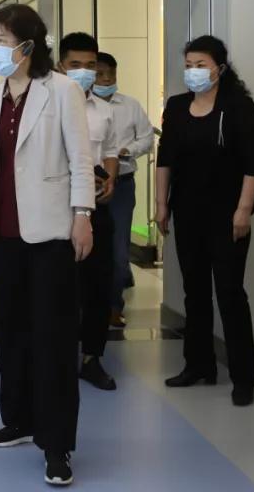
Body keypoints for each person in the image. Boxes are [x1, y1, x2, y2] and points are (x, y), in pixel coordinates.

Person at [0, 4, 94, 487]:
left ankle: (57, 443)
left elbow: (80, 159)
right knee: (12, 333)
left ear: (28, 44)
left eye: (1, 40)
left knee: (53, 340)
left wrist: (83, 217)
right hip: (5, 231)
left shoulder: (60, 90)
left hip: (51, 232)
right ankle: (19, 418)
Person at [156, 35, 254, 407]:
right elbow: (165, 158)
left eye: (200, 65)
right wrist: (161, 204)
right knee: (195, 291)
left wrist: (243, 210)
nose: (193, 72)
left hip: (228, 214)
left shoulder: (238, 107)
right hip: (187, 211)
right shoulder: (177, 106)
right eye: (188, 65)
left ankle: (243, 378)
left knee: (230, 293)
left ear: (220, 67)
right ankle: (198, 364)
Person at [58, 32, 120, 392]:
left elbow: (109, 151)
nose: (84, 72)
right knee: (61, 288)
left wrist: (110, 178)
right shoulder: (48, 105)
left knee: (98, 285)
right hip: (58, 209)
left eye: (90, 65)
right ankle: (59, 357)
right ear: (60, 66)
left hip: (97, 208)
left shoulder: (104, 110)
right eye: (75, 65)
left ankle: (91, 357)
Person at [95, 52, 155, 327]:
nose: (107, 79)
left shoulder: (130, 106)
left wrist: (127, 150)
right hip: (88, 185)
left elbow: (147, 138)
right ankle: (85, 306)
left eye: (112, 74)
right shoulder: (79, 104)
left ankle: (113, 306)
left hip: (121, 185)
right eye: (100, 74)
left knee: (118, 250)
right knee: (87, 249)